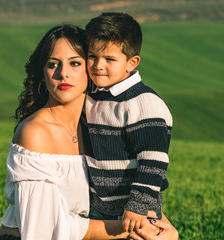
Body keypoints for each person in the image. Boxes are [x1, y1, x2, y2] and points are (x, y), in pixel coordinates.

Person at [0, 24, 177, 240]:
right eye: (53, 64)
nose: (63, 74)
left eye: (75, 63)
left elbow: (125, 184)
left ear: (91, 68)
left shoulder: (99, 127)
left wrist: (161, 228)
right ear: (43, 74)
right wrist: (133, 228)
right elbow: (47, 228)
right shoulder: (35, 133)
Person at [84, 12, 173, 233]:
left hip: (136, 211)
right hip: (98, 207)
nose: (98, 65)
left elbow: (154, 160)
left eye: (109, 59)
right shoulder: (93, 96)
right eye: (92, 56)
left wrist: (138, 206)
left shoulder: (143, 102)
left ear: (131, 63)